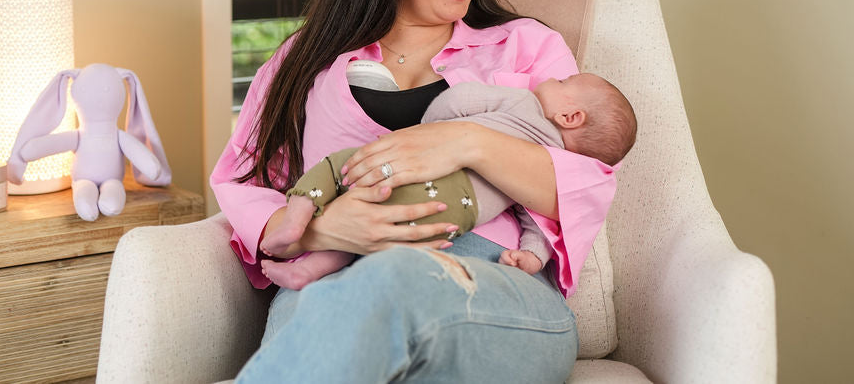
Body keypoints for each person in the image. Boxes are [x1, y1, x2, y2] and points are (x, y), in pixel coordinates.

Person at [210, 0, 620, 383]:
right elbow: (244, 179)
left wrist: (469, 142)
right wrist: (322, 231)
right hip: (334, 281)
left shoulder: (527, 47)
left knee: (398, 278)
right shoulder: (306, 60)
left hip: (490, 288)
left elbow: (583, 182)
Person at [259, 73, 636, 290]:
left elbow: (461, 99)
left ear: (570, 115)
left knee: (340, 166)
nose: (553, 78)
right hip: (455, 213)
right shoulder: (543, 166)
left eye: (565, 81)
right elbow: (536, 218)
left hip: (407, 168)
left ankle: (298, 213)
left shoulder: (524, 102)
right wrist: (534, 257)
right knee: (384, 232)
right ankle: (310, 268)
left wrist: (432, 131)